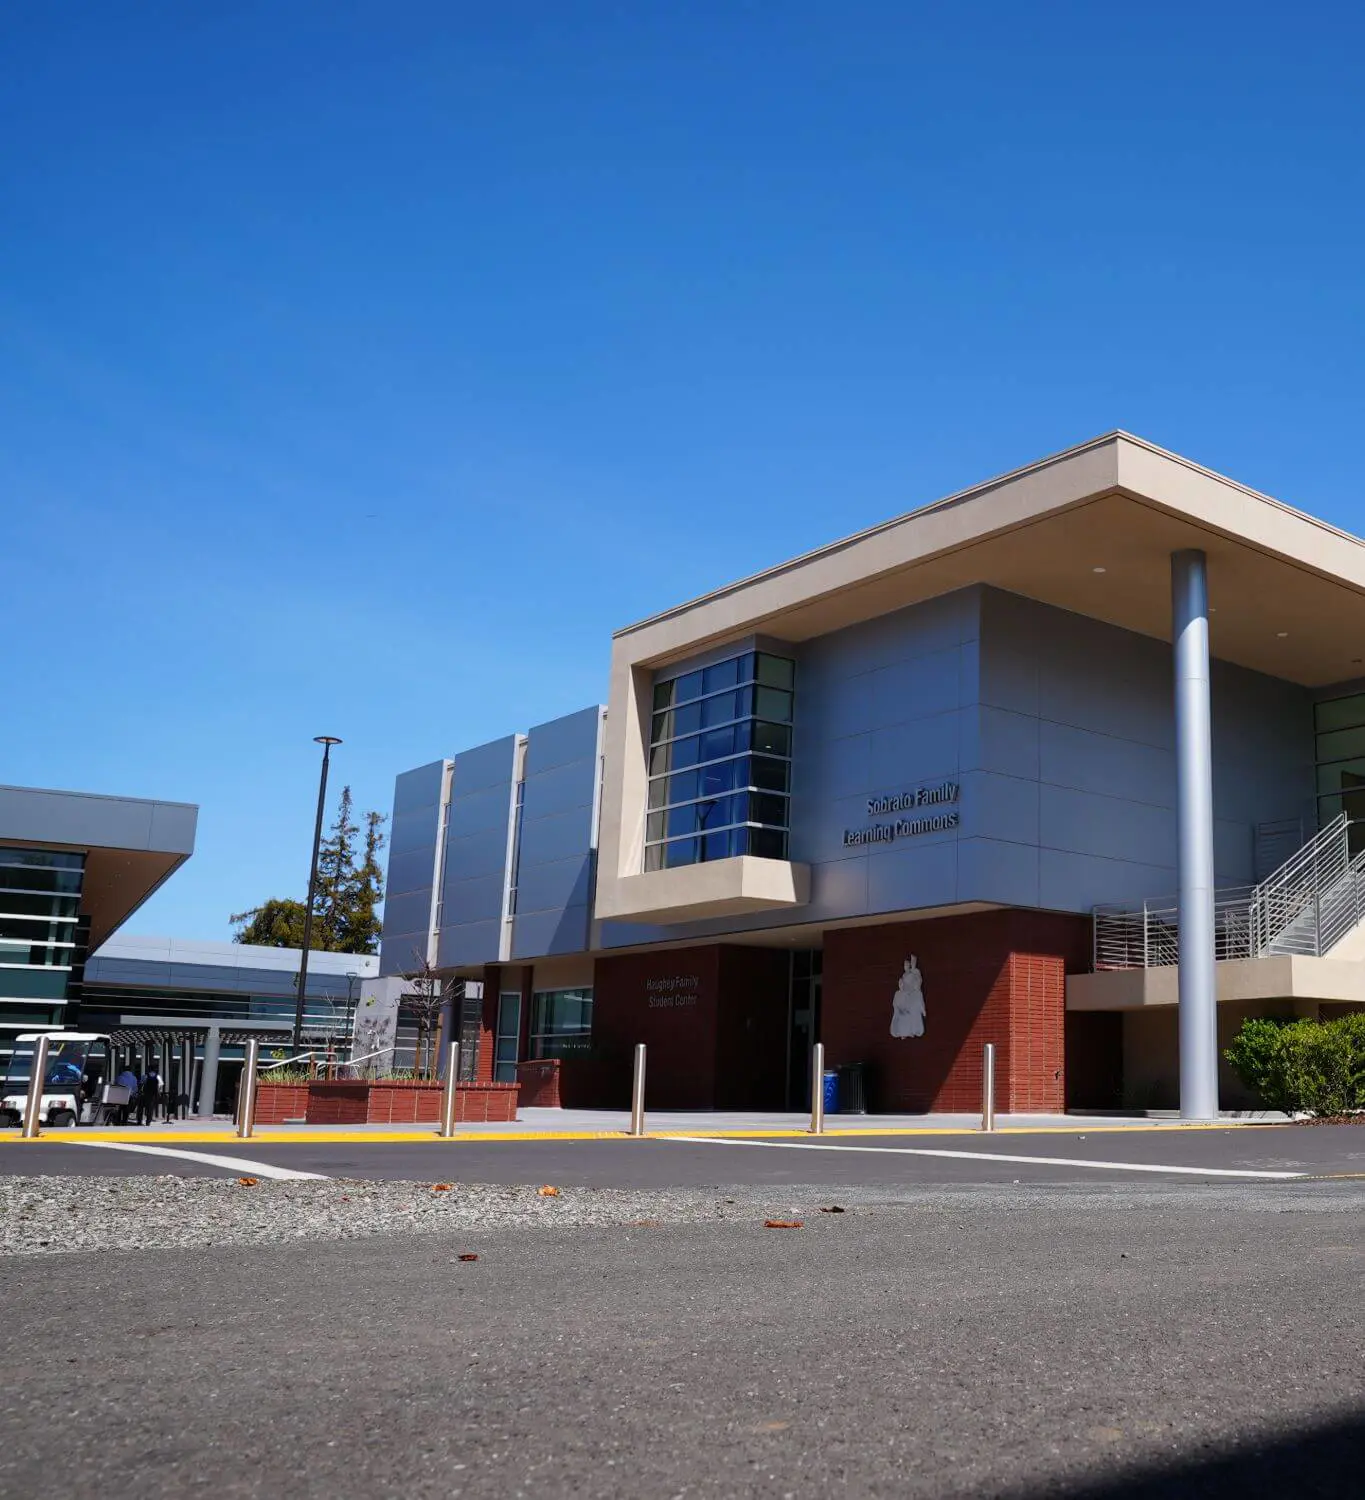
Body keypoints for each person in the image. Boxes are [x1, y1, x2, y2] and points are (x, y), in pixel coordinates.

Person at [138, 1061, 162, 1126]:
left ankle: (139, 1121)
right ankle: (148, 1122)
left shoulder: (145, 1076)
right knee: (150, 1109)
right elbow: (160, 1086)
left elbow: (140, 1084)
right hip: (152, 1095)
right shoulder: (158, 1077)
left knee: (140, 1108)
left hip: (144, 1094)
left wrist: (140, 1091)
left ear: (149, 1069)